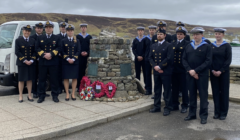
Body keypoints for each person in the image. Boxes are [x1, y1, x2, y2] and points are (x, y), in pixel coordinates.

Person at [182, 27, 212, 124]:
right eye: (194, 34)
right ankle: (192, 114)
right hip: (190, 74)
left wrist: (196, 71)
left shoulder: (207, 46)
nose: (195, 36)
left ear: (202, 35)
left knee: (203, 95)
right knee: (192, 95)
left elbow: (208, 61)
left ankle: (203, 116)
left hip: (202, 75)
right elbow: (184, 60)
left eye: (197, 34)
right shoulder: (188, 46)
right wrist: (190, 70)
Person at [148, 29, 174, 116]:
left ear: (164, 35)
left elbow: (169, 58)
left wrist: (160, 66)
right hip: (156, 71)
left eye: (161, 34)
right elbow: (150, 57)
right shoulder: (153, 45)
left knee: (167, 90)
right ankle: (156, 106)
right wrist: (155, 66)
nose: (159, 35)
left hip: (165, 71)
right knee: (157, 89)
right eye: (158, 34)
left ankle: (167, 107)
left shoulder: (168, 45)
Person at [35, 20, 61, 103]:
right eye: (47, 27)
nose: (48, 29)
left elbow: (59, 47)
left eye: (50, 27)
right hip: (43, 62)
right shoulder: (40, 38)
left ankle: (55, 95)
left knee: (54, 79)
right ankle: (41, 96)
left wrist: (51, 54)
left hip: (53, 61)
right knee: (42, 79)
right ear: (44, 29)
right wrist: (44, 55)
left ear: (52, 29)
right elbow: (37, 48)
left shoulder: (57, 38)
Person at [210, 28, 232, 120]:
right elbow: (209, 59)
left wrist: (221, 70)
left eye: (219, 34)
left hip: (224, 73)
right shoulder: (211, 46)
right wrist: (212, 70)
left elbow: (228, 60)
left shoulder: (227, 46)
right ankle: (217, 112)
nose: (217, 35)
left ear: (223, 35)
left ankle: (223, 113)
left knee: (224, 92)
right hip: (213, 73)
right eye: (216, 34)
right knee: (215, 92)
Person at [15, 25, 36, 102]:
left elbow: (34, 51)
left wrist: (31, 60)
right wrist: (24, 60)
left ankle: (29, 95)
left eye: (28, 31)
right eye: (25, 31)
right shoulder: (18, 40)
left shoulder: (33, 40)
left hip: (31, 63)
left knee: (29, 79)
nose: (27, 32)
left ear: (30, 32)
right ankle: (20, 96)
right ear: (23, 31)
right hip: (22, 63)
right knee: (21, 80)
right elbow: (17, 52)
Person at [171, 26, 189, 113]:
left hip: (183, 69)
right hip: (174, 69)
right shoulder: (173, 43)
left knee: (184, 88)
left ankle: (185, 105)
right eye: (178, 34)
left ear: (184, 35)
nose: (179, 36)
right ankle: (175, 104)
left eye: (181, 34)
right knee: (174, 88)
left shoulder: (187, 44)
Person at [61, 24, 81, 101]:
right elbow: (62, 51)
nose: (70, 32)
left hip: (74, 62)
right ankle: (67, 93)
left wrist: (73, 59)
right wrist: (67, 59)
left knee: (74, 78)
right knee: (66, 78)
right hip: (66, 62)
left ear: (73, 31)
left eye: (71, 30)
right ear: (66, 31)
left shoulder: (77, 41)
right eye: (68, 31)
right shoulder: (63, 41)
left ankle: (73, 93)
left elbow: (78, 51)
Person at [30, 22, 47, 98]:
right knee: (34, 77)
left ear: (42, 29)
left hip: (43, 60)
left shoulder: (45, 37)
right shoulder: (32, 37)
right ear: (35, 29)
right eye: (38, 28)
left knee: (42, 77)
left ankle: (42, 91)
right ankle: (34, 92)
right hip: (34, 60)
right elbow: (32, 49)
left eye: (40, 28)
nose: (39, 29)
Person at [76, 23, 92, 92]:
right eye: (82, 27)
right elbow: (76, 47)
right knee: (79, 72)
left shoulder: (89, 37)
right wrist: (80, 52)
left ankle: (87, 86)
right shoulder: (77, 37)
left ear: (86, 28)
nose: (83, 28)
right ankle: (78, 87)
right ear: (80, 28)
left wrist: (87, 53)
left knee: (86, 71)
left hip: (87, 57)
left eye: (84, 27)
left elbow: (91, 47)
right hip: (79, 57)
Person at [144, 25, 157, 95]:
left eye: (153, 30)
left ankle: (156, 91)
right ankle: (148, 89)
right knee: (147, 75)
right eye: (150, 30)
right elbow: (144, 49)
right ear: (149, 31)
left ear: (155, 30)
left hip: (155, 59)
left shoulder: (157, 38)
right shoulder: (146, 39)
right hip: (147, 59)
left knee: (155, 75)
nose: (151, 31)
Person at [57, 22, 68, 94]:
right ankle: (59, 88)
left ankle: (65, 88)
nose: (63, 28)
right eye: (62, 27)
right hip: (59, 58)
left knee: (66, 73)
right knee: (59, 74)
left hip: (66, 58)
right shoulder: (57, 36)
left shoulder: (69, 36)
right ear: (60, 28)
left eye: (64, 27)